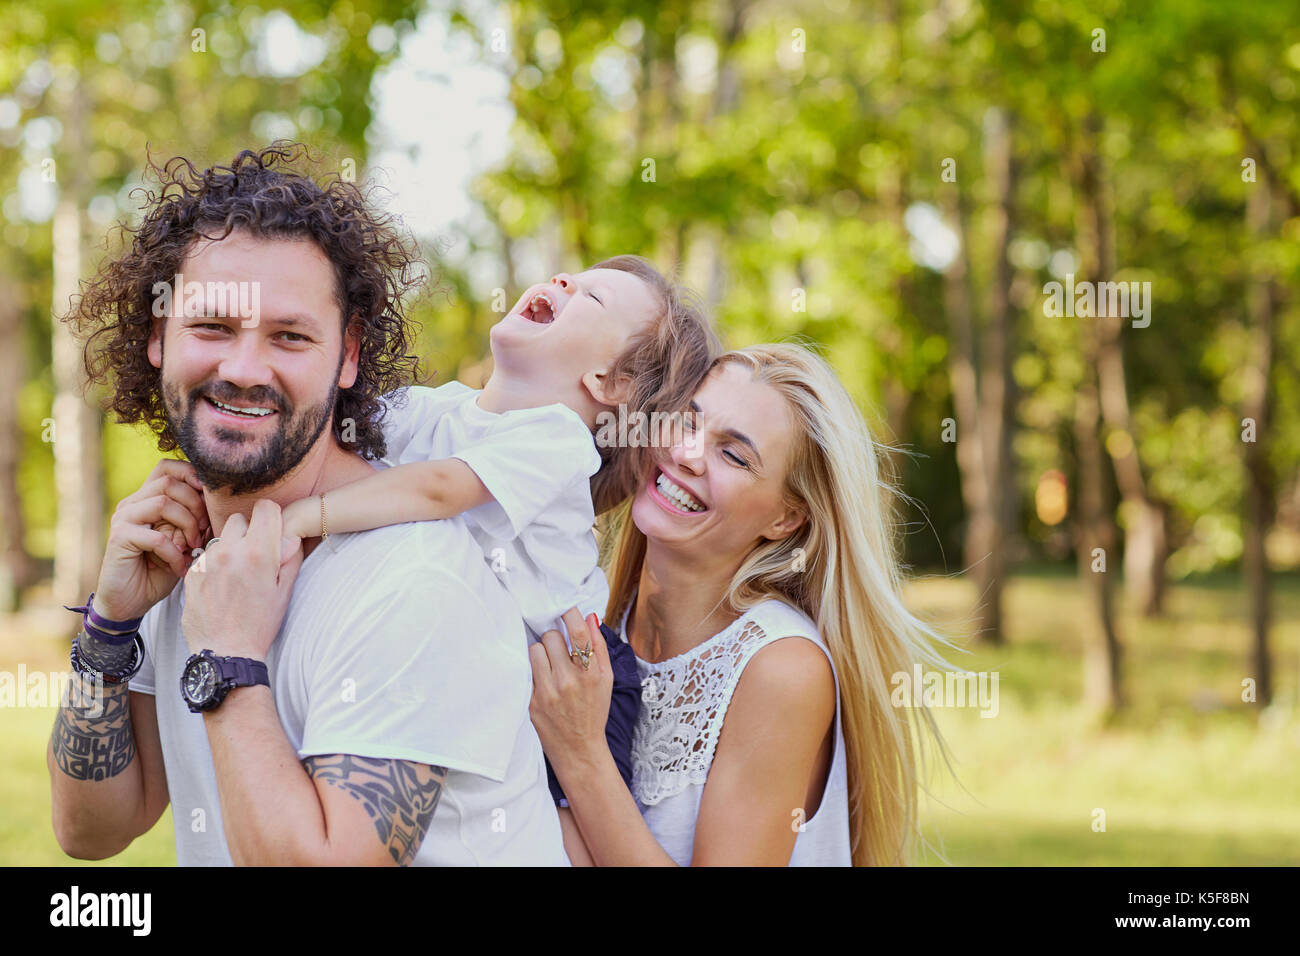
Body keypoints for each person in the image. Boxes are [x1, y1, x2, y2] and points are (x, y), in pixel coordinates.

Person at [47, 142, 566, 865]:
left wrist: (230, 656)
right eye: (213, 327)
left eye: (289, 337)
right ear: (157, 336)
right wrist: (109, 625)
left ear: (348, 355)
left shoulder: (414, 574)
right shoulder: (183, 552)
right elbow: (90, 832)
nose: (244, 369)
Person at [263, 256, 719, 828]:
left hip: (575, 675)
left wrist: (299, 517)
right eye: (569, 277)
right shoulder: (430, 408)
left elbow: (437, 491)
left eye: (591, 298)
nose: (562, 282)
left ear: (610, 382)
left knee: (570, 844)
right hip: (492, 669)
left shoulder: (556, 439)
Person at [529, 343, 958, 866]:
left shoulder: (781, 668)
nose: (687, 453)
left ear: (786, 518)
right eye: (686, 421)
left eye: (734, 454)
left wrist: (582, 755)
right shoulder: (601, 617)